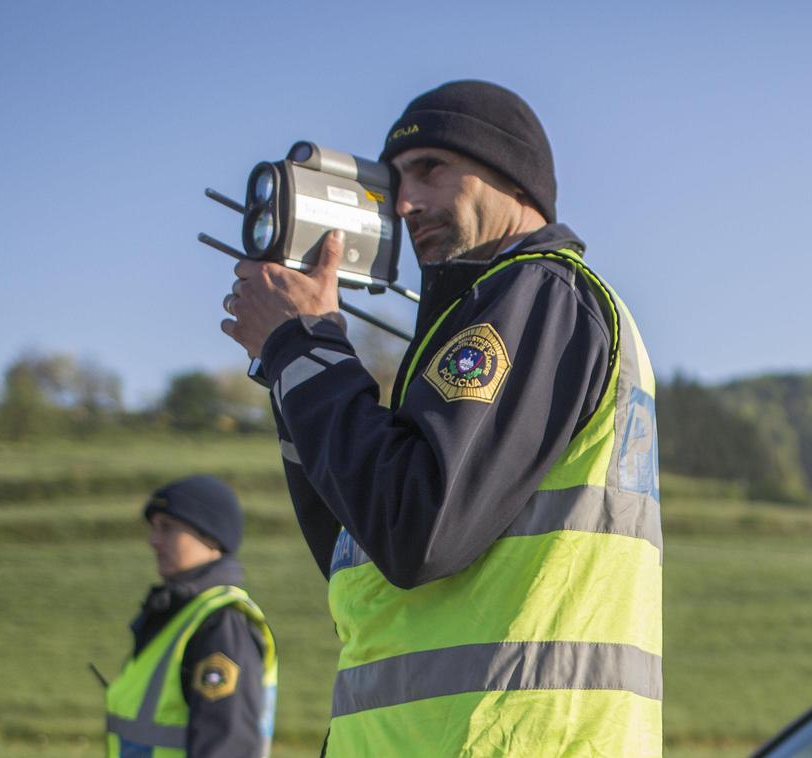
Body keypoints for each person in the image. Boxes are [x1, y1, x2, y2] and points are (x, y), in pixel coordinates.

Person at [222, 80, 661, 756]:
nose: (404, 202)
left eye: (432, 170)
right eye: (395, 180)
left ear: (515, 182)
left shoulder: (538, 296)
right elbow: (357, 546)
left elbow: (416, 528)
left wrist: (305, 344)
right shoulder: (486, 320)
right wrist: (296, 364)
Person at [105, 475, 278, 758]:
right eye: (153, 528)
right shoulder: (179, 615)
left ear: (210, 537)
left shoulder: (222, 622)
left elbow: (227, 747)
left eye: (167, 528)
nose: (153, 541)